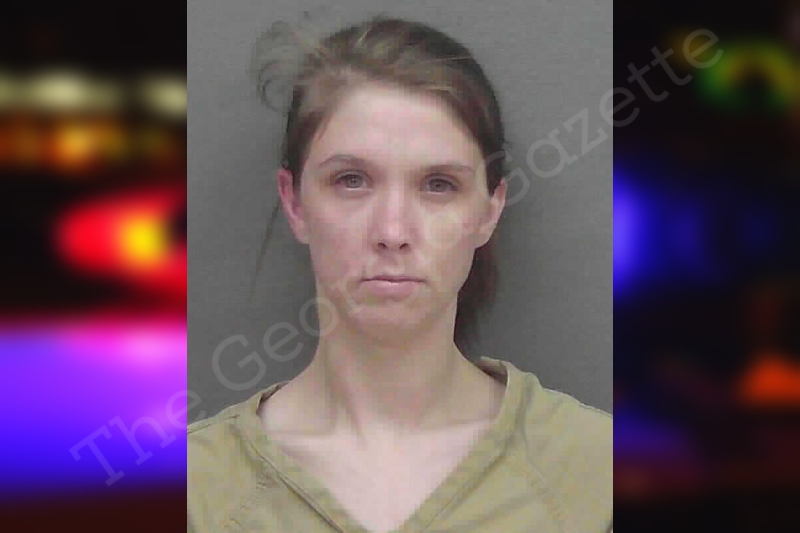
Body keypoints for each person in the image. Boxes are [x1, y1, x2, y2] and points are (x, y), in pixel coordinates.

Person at [188, 15, 612, 533]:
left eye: (439, 184)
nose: (392, 231)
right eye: (351, 180)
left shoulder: (597, 476)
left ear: (489, 210)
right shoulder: (194, 492)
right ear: (295, 203)